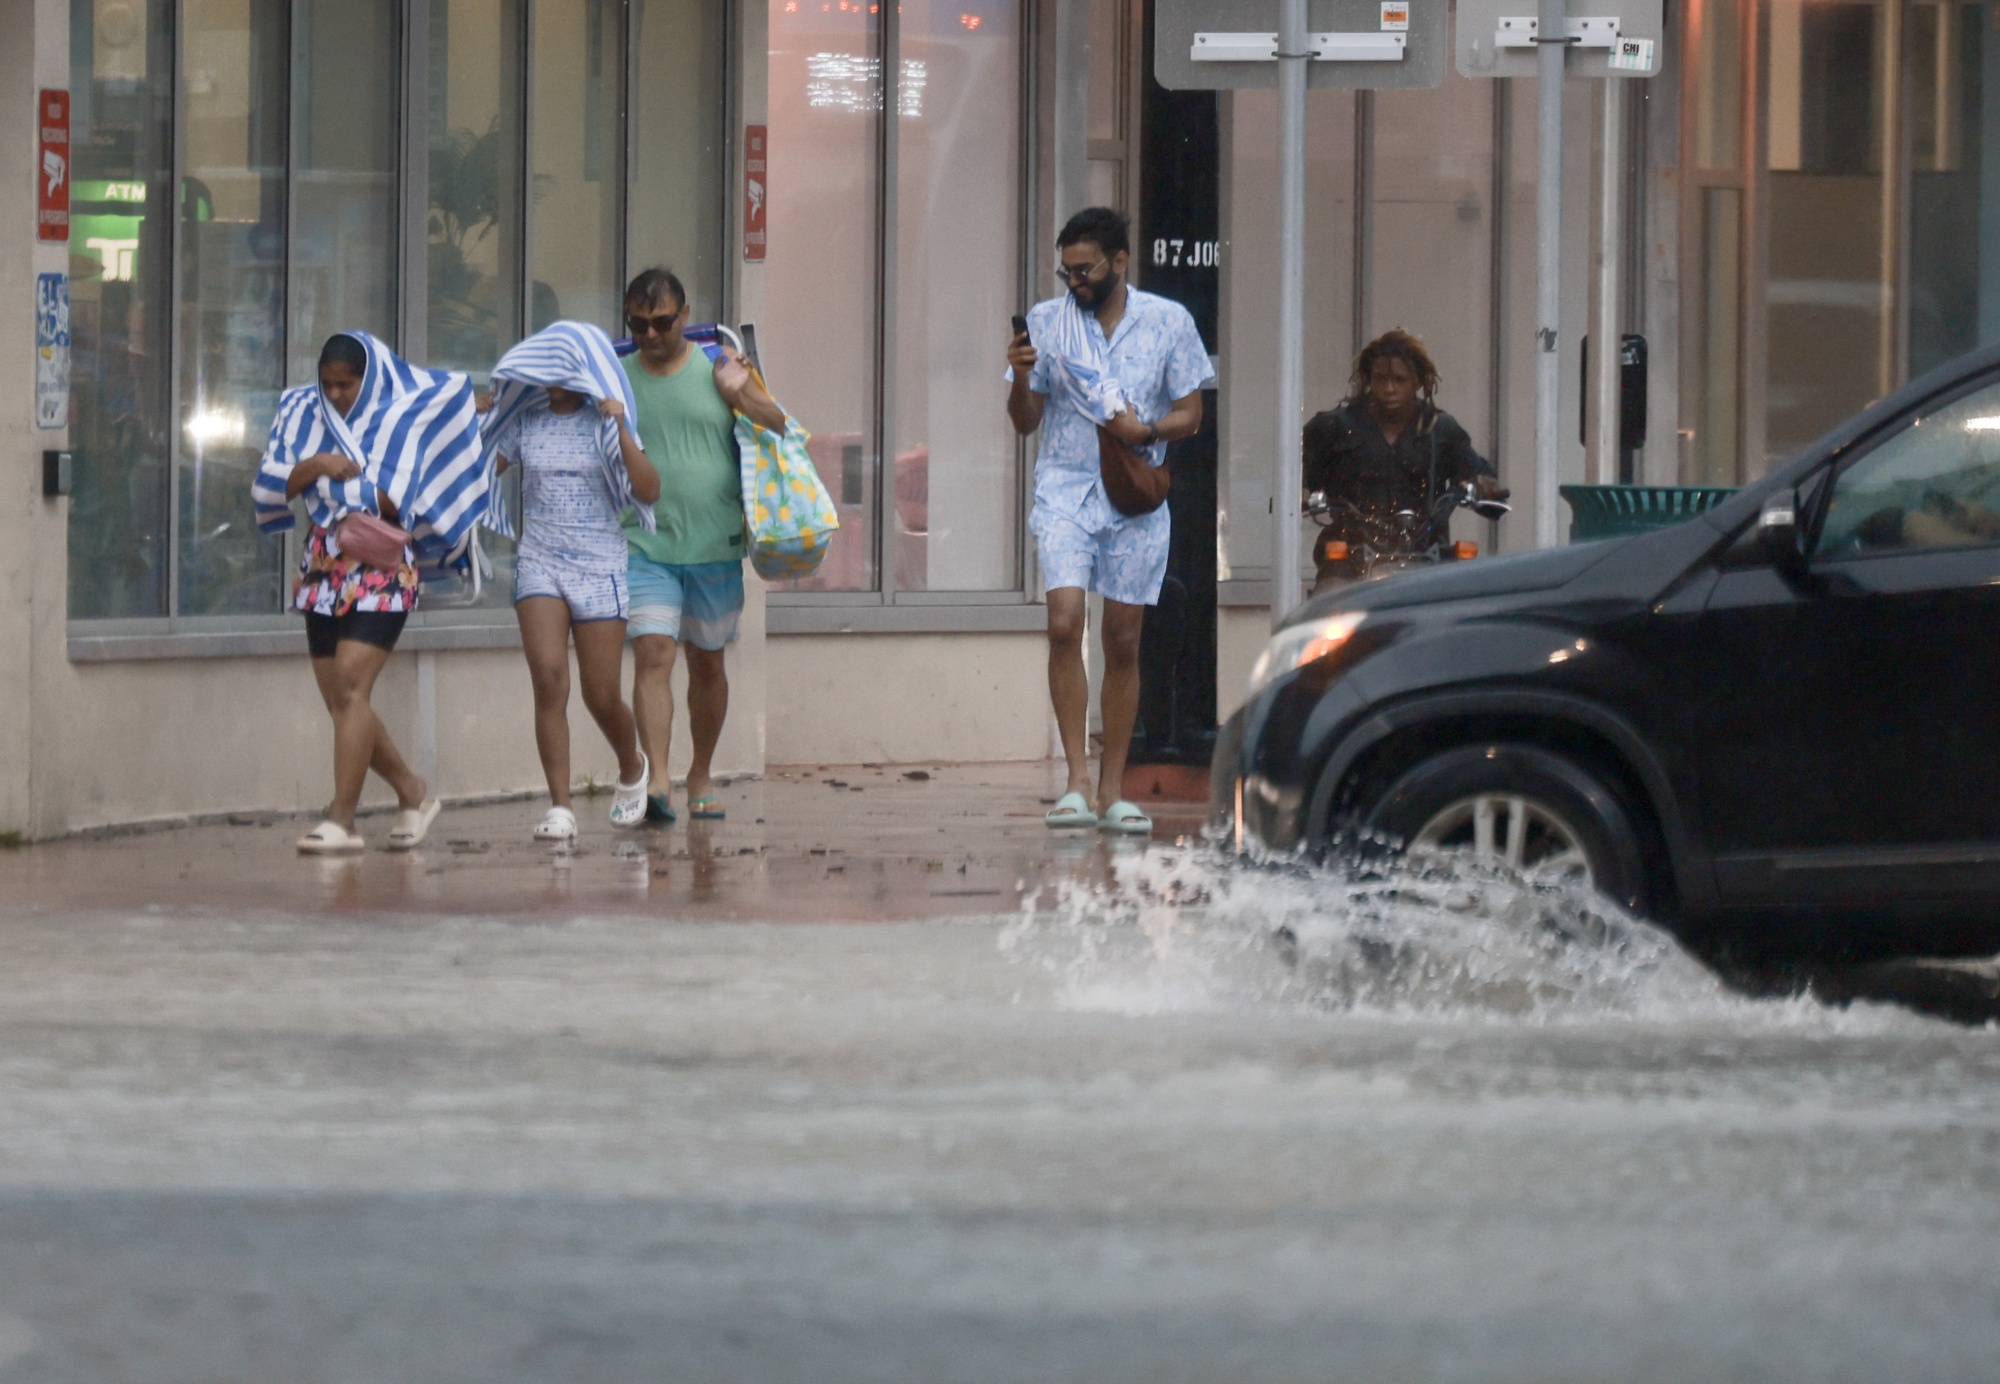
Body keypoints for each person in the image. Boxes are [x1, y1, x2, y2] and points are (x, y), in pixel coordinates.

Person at [1006, 207, 1214, 836]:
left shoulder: (1168, 321)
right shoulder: (1049, 322)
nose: (1075, 282)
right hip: (1065, 490)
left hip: (1134, 496)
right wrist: (1021, 375)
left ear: (1120, 262)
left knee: (1123, 640)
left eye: (1086, 269)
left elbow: (1192, 414)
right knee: (1064, 623)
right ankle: (1075, 781)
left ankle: (1111, 790)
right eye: (1066, 271)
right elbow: (1024, 421)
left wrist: (1142, 431)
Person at [250, 332, 485, 855]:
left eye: (346, 385)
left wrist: (318, 483)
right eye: (328, 384)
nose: (336, 395)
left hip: (382, 565)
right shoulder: (298, 410)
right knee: (341, 700)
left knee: (352, 686)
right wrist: (318, 467)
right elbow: (268, 486)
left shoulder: (403, 416)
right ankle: (411, 789)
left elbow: (396, 498)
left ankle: (343, 820)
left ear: (368, 379)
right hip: (322, 564)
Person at [618, 268, 784, 824]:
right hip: (643, 542)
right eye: (637, 325)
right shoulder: (617, 379)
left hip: (715, 543)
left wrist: (740, 392)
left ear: (685, 316)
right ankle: (658, 780)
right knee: (653, 653)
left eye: (661, 322)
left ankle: (701, 774)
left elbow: (779, 425)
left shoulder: (719, 367)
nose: (649, 335)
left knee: (707, 663)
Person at [485, 323, 663, 842]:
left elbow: (649, 489)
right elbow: (479, 470)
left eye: (563, 367)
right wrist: (474, 416)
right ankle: (560, 805)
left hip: (599, 564)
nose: (553, 377)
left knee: (600, 695)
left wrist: (621, 426)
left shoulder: (604, 420)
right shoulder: (526, 421)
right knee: (548, 680)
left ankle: (632, 765)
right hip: (540, 560)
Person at [1301, 329, 1500, 592]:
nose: (1389, 388)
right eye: (1380, 379)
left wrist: (1484, 486)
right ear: (1369, 379)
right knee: (1330, 600)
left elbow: (1481, 477)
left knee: (1461, 601)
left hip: (1427, 555)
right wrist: (1301, 491)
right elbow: (1295, 470)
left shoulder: (1440, 430)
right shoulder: (1335, 426)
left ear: (1417, 381)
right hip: (1351, 555)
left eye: (1399, 379)